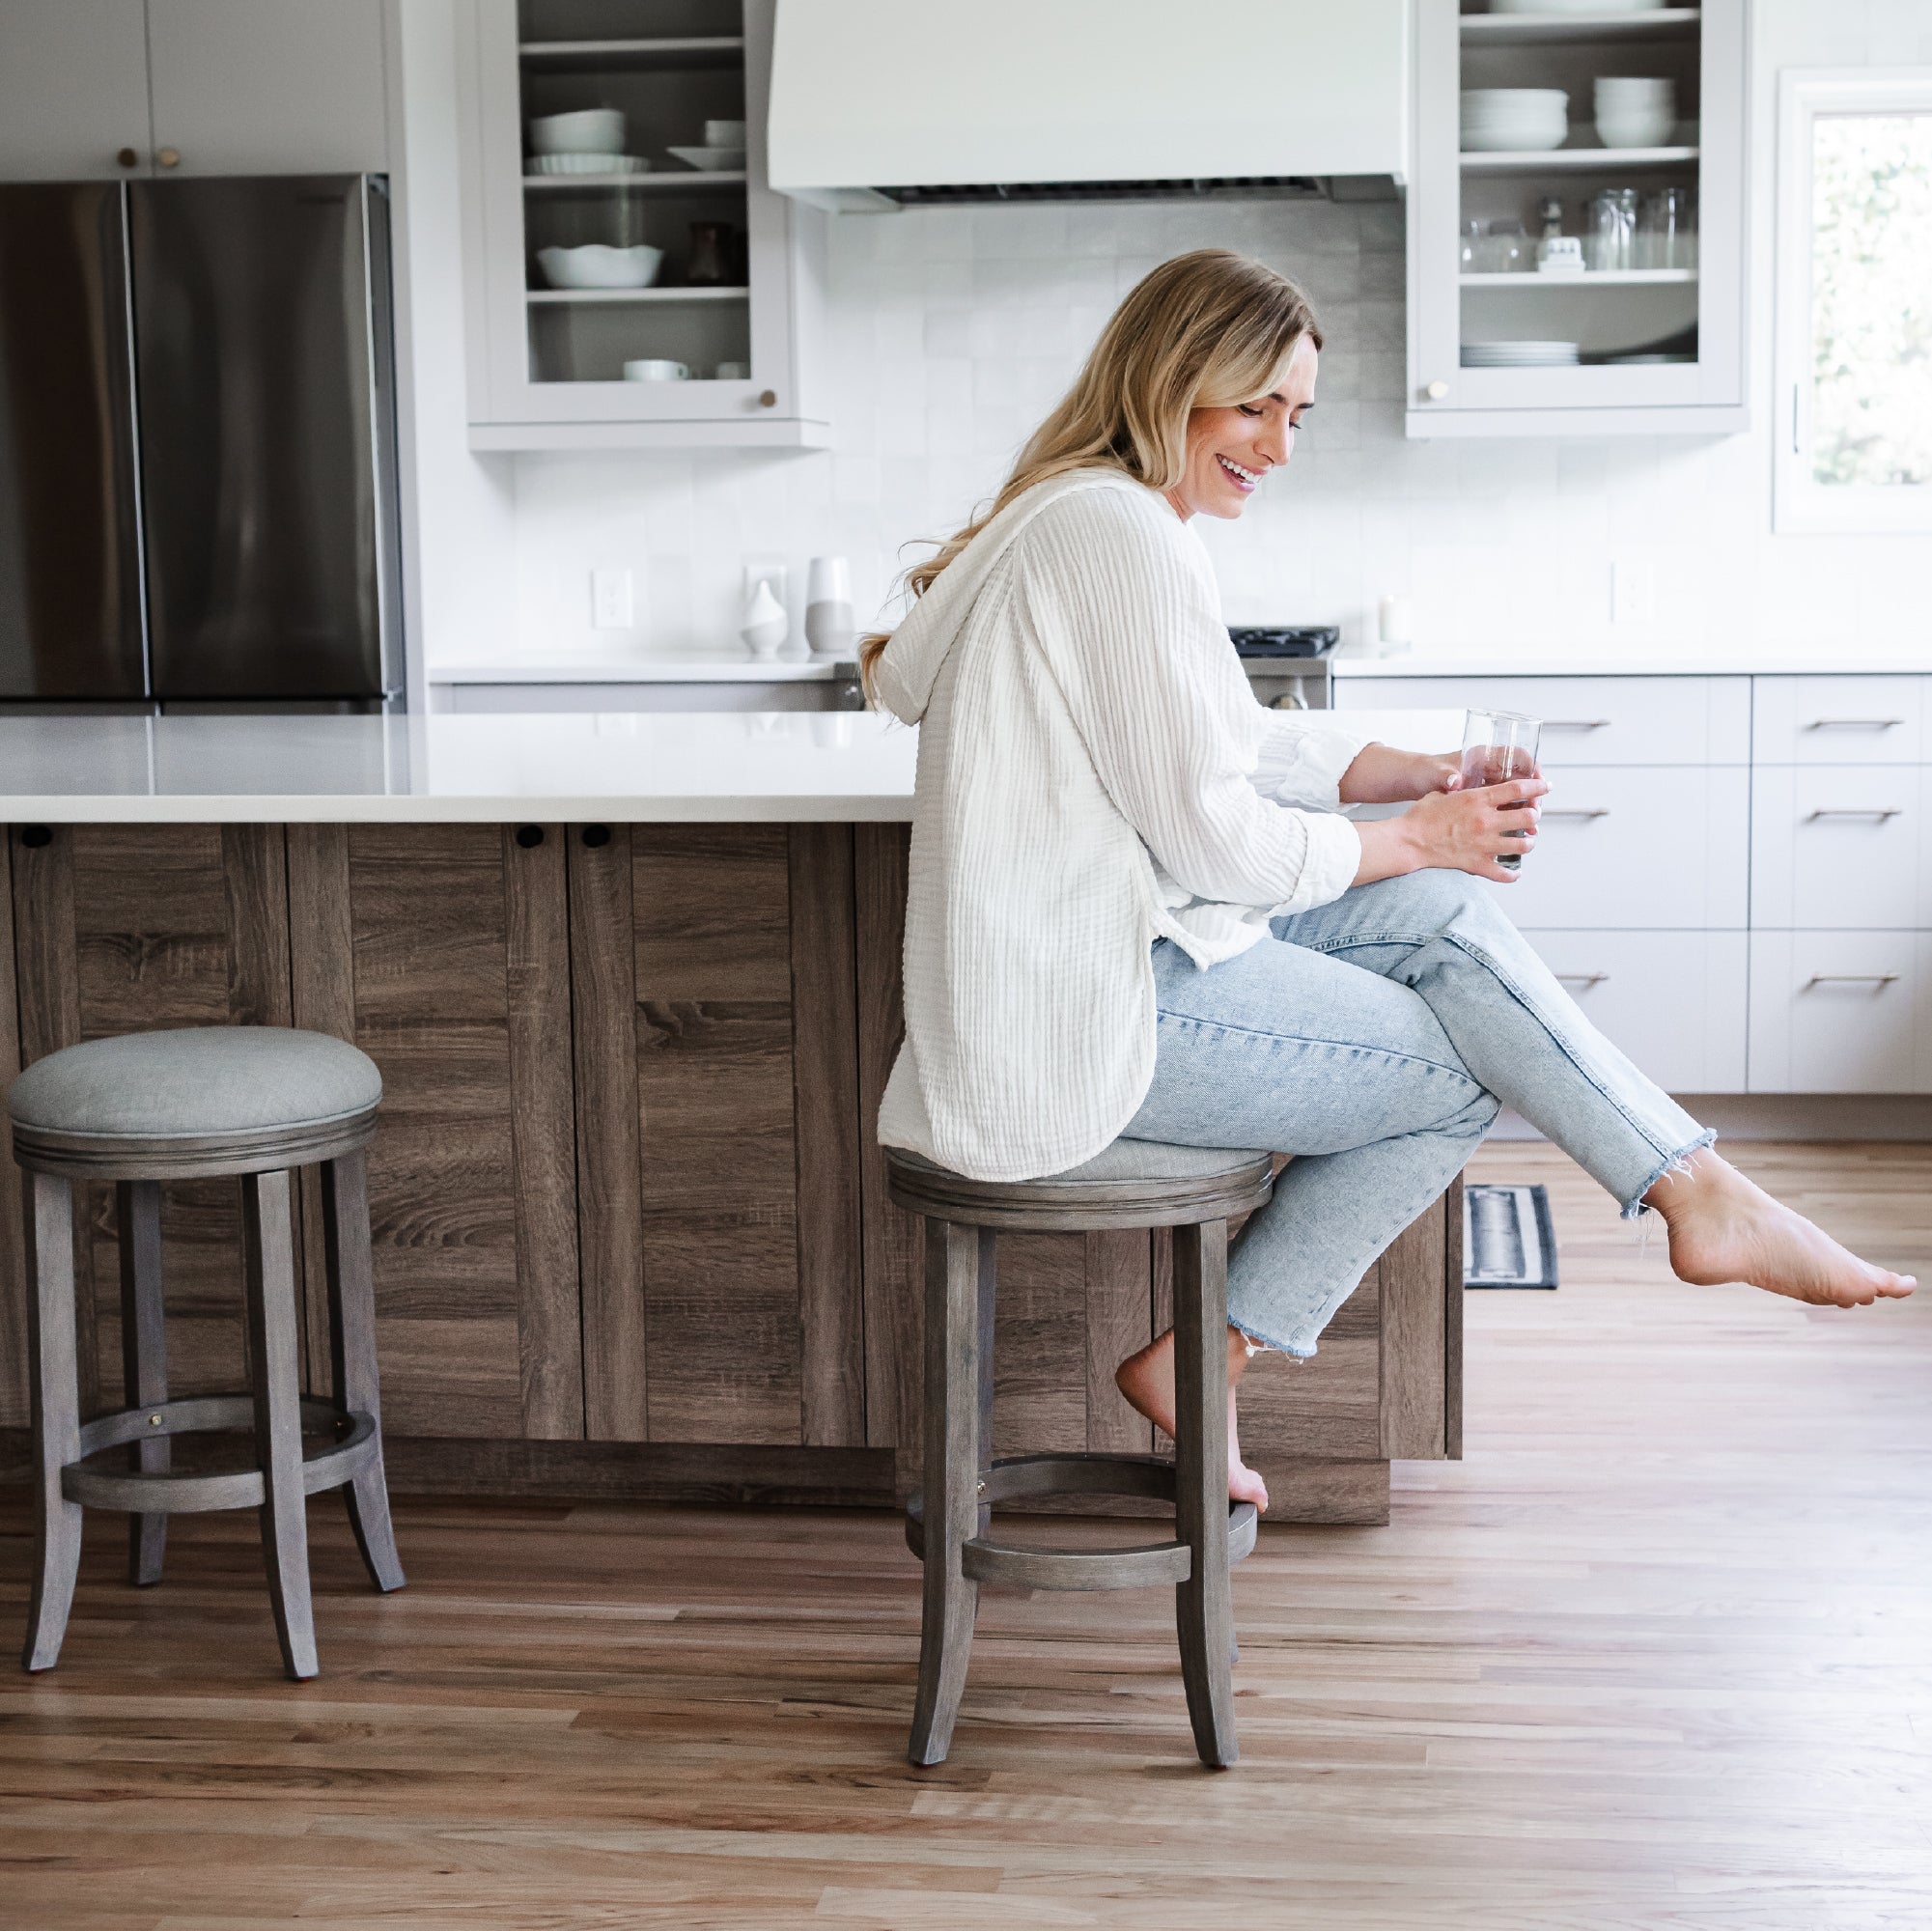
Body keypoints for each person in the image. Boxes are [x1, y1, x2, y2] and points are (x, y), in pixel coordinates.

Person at [861, 249, 1914, 1509]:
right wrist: (1419, 830)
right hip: (1086, 1013)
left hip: (1083, 967)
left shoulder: (1072, 512)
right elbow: (1216, 840)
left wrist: (1398, 771)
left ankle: (1695, 1187)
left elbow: (1216, 738)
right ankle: (1220, 1355)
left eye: (1294, 415)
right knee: (1456, 1070)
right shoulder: (1121, 534)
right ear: (1174, 374)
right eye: (1256, 404)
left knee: (1445, 919)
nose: (1278, 445)